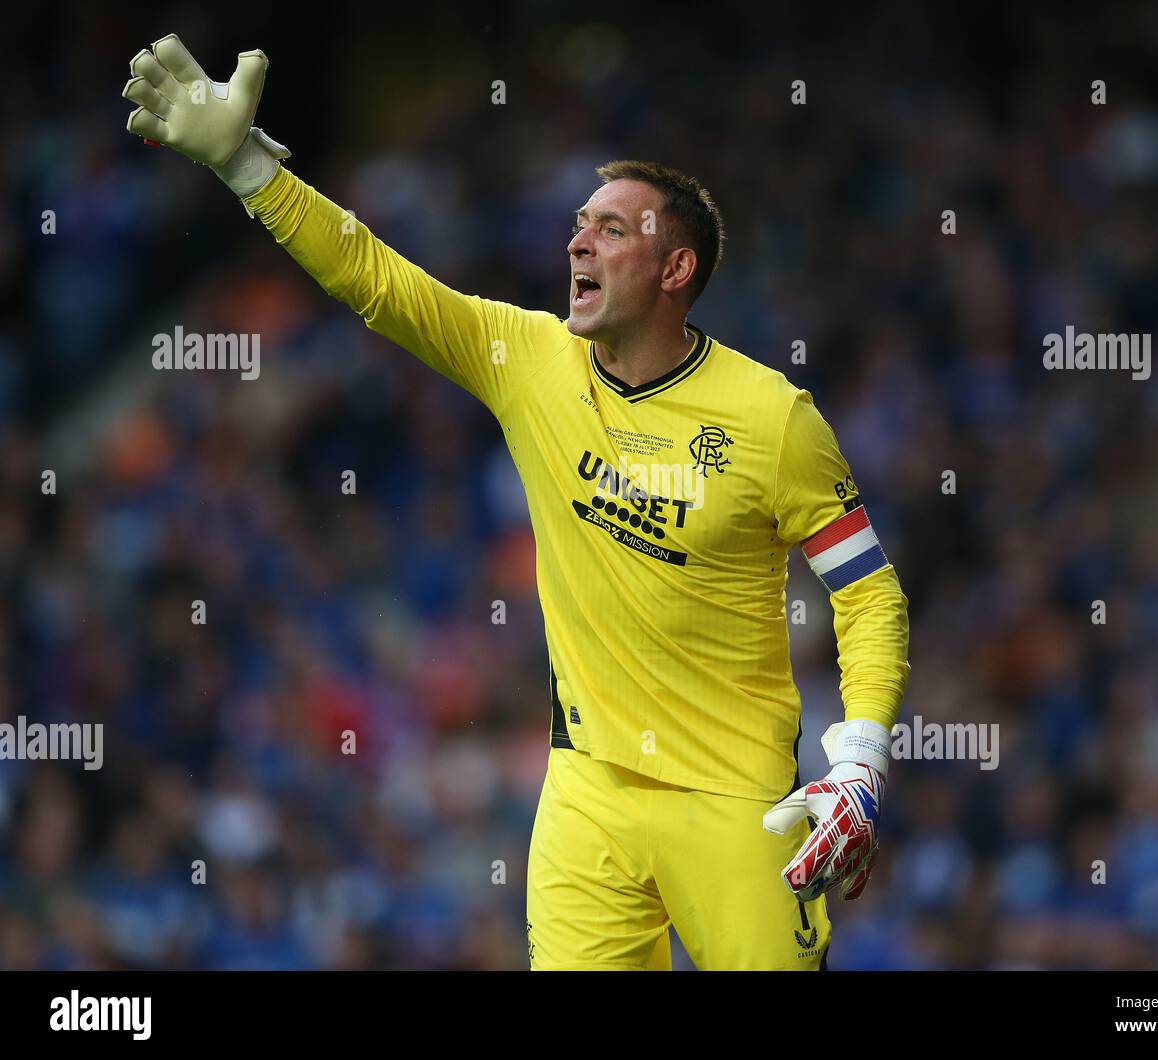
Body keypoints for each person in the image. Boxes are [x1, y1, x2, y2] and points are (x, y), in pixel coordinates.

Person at [123, 34, 911, 970]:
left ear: (676, 271)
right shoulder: (530, 360)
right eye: (581, 222)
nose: (578, 239)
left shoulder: (774, 421)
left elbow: (868, 593)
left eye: (614, 229)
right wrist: (247, 166)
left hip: (738, 802)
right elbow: (377, 281)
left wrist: (859, 761)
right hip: (587, 798)